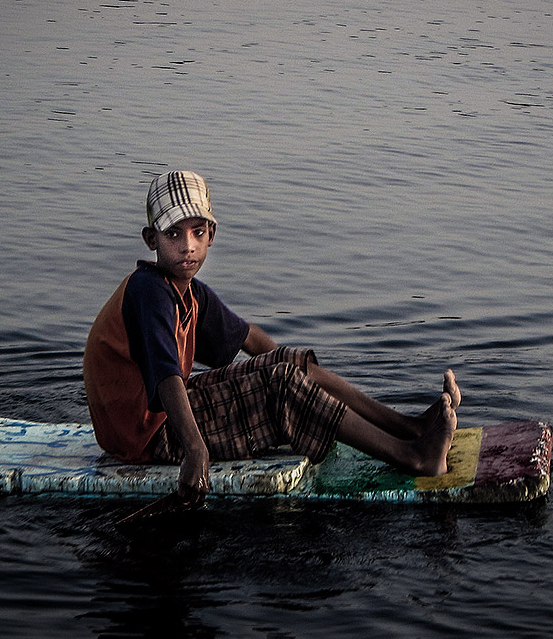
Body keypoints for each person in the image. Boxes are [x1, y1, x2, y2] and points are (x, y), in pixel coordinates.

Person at [83, 170, 461, 507]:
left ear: (211, 235)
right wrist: (195, 450)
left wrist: (298, 376)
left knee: (289, 369)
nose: (188, 246)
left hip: (160, 419)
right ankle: (414, 457)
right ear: (151, 239)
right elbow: (167, 377)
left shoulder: (189, 293)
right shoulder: (149, 291)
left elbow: (249, 337)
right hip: (144, 437)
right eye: (173, 234)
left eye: (198, 232)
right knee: (281, 385)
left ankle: (409, 428)